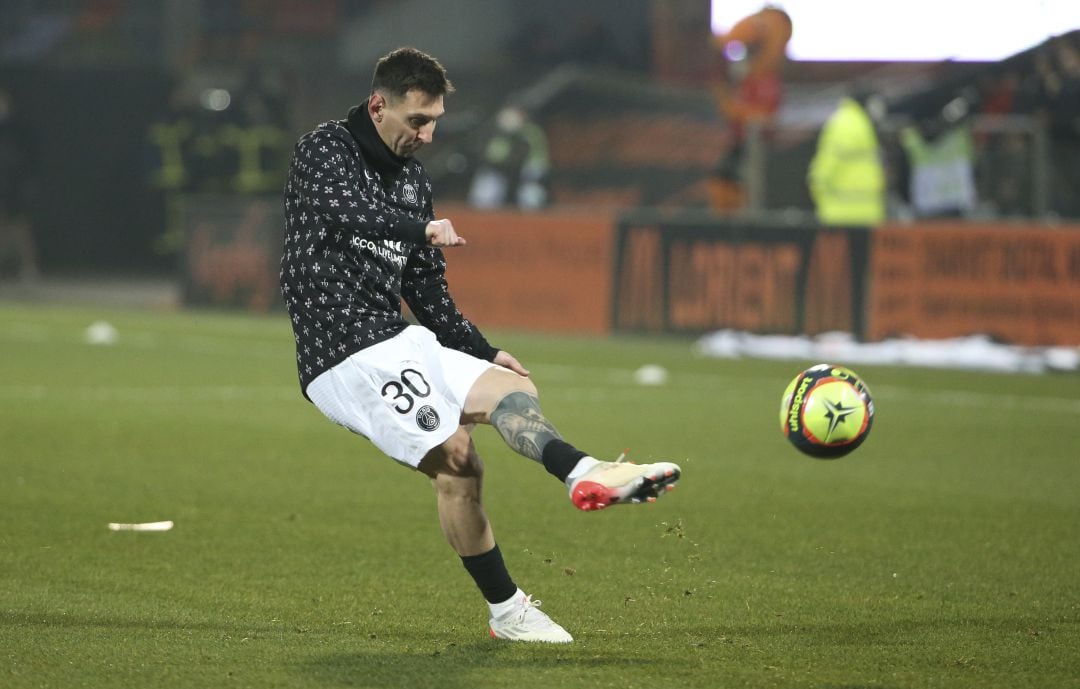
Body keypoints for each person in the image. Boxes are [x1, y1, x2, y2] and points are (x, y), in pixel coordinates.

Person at [279, 47, 681, 644]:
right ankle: (512, 607)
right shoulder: (325, 149)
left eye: (435, 119)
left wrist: (484, 349)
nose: (428, 133)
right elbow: (340, 211)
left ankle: (582, 474)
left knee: (512, 390)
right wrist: (418, 229)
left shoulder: (413, 181)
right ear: (378, 106)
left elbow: (424, 286)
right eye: (417, 120)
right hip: (343, 355)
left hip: (397, 338)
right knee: (460, 459)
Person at [807, 88, 887, 226]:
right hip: (843, 218)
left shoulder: (857, 124)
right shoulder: (847, 124)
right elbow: (822, 173)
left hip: (847, 215)